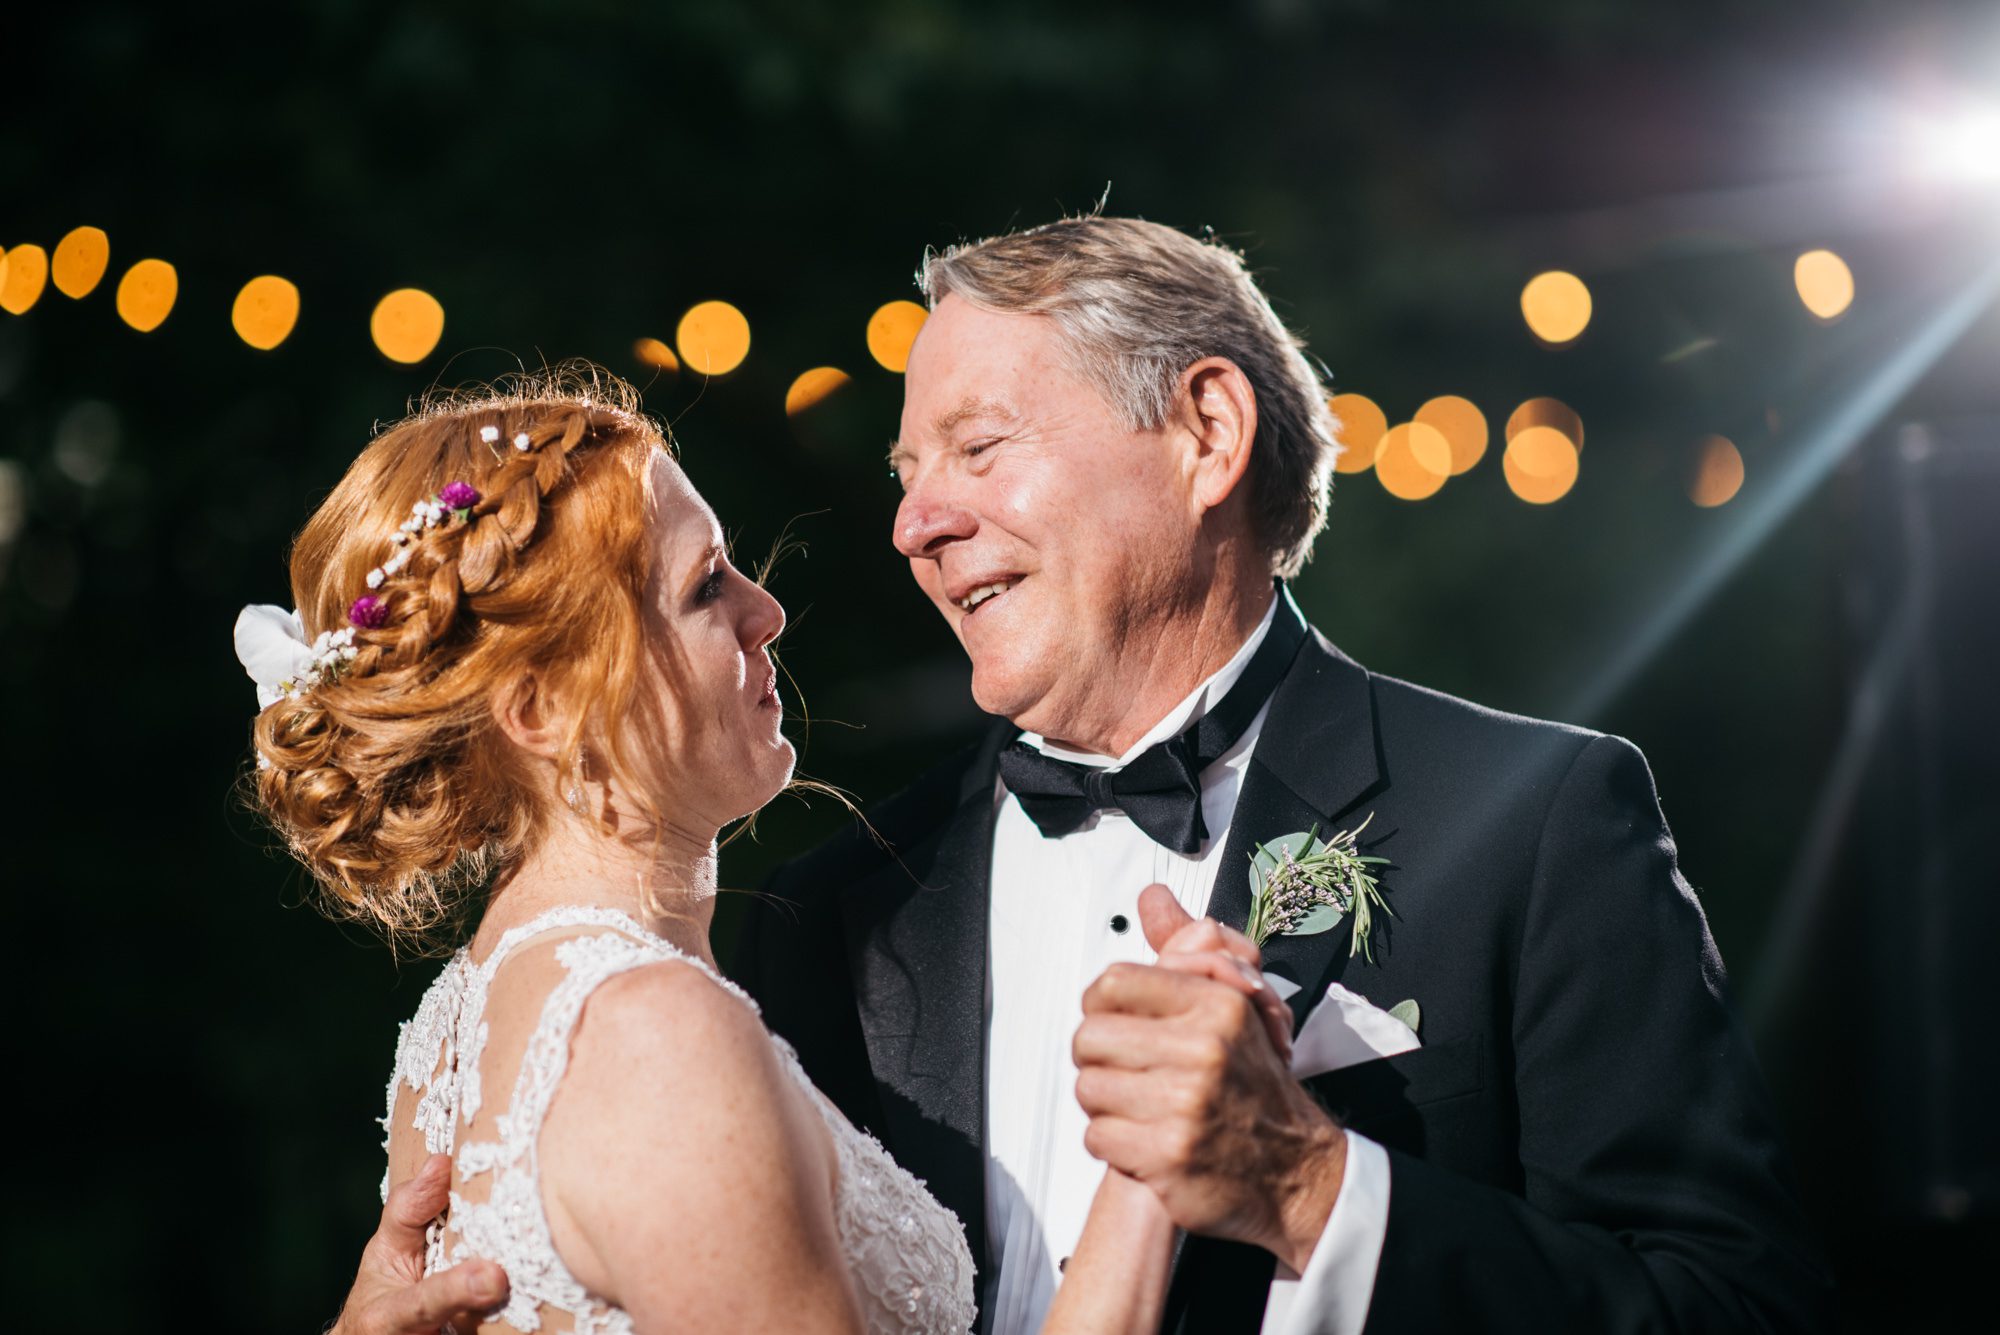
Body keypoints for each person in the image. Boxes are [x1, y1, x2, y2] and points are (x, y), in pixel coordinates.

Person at [340, 218, 1833, 1334]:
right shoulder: (824, 918)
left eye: (976, 448)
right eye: (906, 479)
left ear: (1206, 431)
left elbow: (1746, 1311)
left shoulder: (1536, 821)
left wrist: (1320, 1188)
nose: (918, 525)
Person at [245, 370, 1288, 1334]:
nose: (766, 611)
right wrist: (1149, 1172)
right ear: (540, 709)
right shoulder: (652, 1036)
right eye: (704, 589)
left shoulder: (456, 1030)